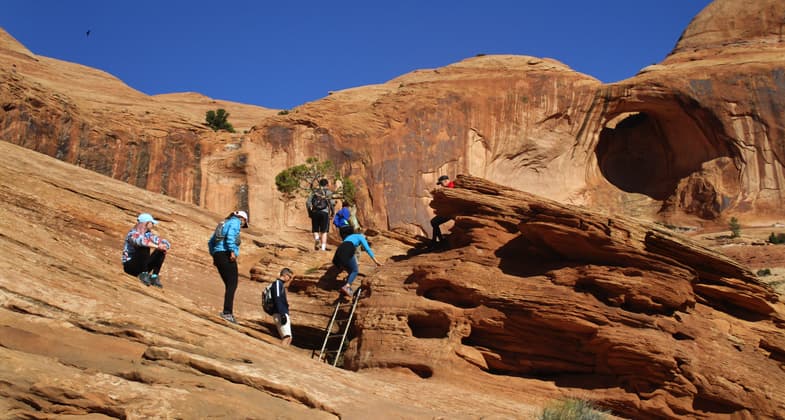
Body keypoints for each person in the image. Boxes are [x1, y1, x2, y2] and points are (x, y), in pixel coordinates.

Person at [208, 210, 249, 324]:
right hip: (226, 254)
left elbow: (210, 242)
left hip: (218, 255)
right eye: (244, 222)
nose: (242, 224)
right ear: (242, 218)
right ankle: (227, 313)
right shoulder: (235, 222)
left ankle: (227, 312)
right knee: (232, 284)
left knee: (229, 284)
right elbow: (230, 235)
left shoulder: (223, 223)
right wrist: (232, 251)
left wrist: (214, 255)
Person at [122, 213, 171, 288]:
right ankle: (144, 274)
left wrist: (163, 245)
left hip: (142, 265)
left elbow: (163, 241)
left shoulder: (148, 234)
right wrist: (157, 246)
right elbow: (141, 242)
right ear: (146, 223)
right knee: (144, 247)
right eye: (152, 223)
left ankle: (154, 276)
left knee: (161, 251)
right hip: (130, 266)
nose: (153, 225)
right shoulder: (132, 234)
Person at [332, 226, 381, 297]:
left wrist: (355, 262)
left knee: (350, 271)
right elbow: (368, 249)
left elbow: (350, 252)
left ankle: (346, 286)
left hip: (338, 252)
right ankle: (347, 286)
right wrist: (376, 261)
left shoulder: (350, 237)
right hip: (347, 250)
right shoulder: (360, 236)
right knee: (355, 270)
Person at [307, 178, 334, 251]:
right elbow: (332, 204)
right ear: (327, 185)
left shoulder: (314, 192)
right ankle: (323, 248)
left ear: (319, 184)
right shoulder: (328, 192)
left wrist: (310, 212)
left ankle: (317, 238)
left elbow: (308, 202)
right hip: (324, 213)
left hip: (315, 212)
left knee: (315, 229)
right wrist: (332, 213)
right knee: (324, 231)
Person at [270, 267, 294, 346]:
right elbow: (277, 298)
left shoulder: (281, 285)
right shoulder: (277, 283)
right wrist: (282, 314)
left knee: (289, 337)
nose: (290, 279)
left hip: (283, 312)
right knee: (286, 337)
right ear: (285, 275)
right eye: (289, 277)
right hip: (279, 313)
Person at [430, 175, 455, 247]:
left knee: (434, 222)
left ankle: (436, 241)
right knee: (434, 222)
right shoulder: (449, 188)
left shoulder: (451, 187)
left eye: (441, 183)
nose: (441, 185)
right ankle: (436, 240)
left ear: (446, 181)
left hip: (451, 212)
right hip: (449, 211)